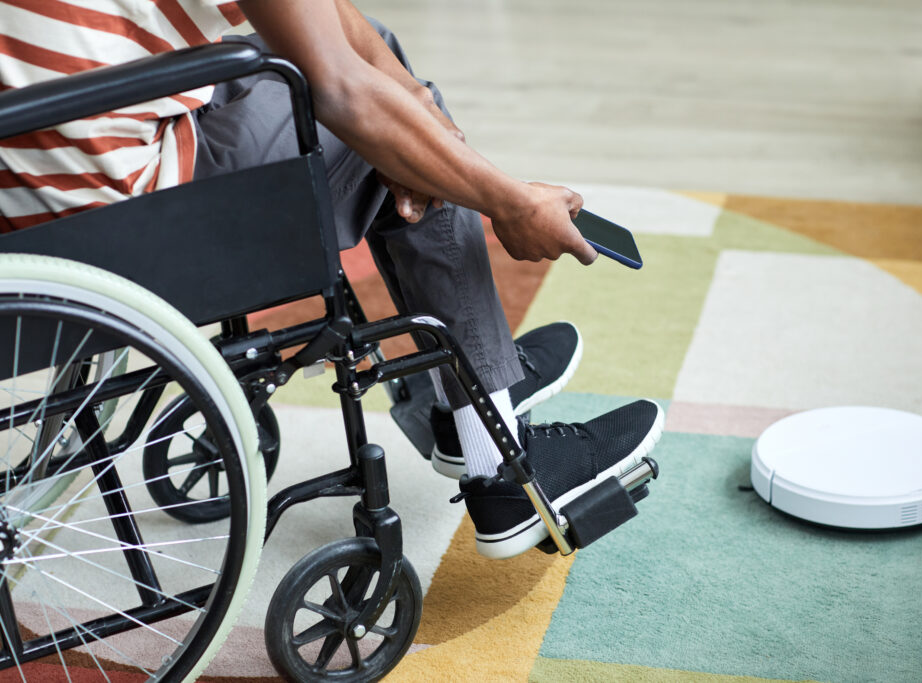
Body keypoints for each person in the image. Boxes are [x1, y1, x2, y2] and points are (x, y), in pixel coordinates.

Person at [0, 0, 664, 559]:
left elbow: (336, 22)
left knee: (389, 80)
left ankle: (467, 389)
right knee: (378, 128)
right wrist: (508, 201)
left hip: (26, 197)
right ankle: (496, 457)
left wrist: (415, 108)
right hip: (125, 223)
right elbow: (343, 90)